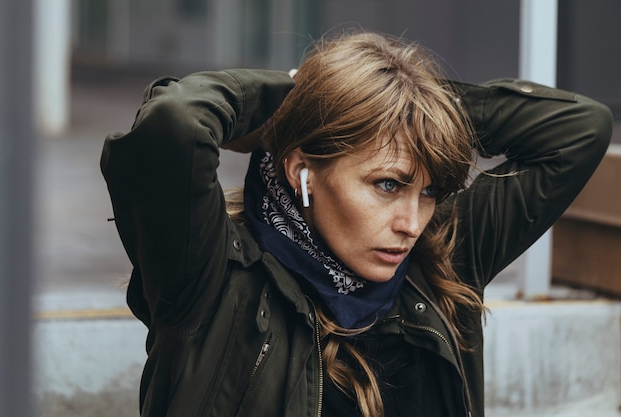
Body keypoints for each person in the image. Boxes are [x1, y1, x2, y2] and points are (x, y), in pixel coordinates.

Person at [101, 32, 612, 417]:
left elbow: (579, 129)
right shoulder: (212, 278)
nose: (412, 223)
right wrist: (298, 96)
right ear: (303, 171)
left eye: (430, 191)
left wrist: (406, 99)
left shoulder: (440, 262)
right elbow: (173, 123)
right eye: (387, 185)